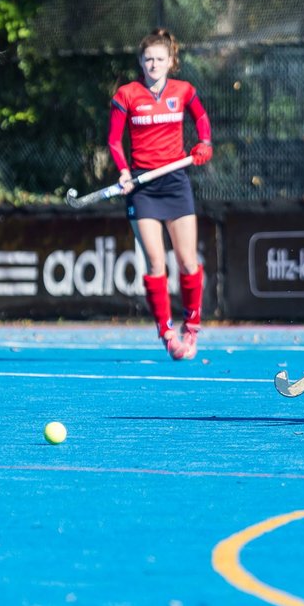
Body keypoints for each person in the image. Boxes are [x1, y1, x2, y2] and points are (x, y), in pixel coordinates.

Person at [108, 28, 213, 360]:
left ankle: (191, 327)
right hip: (142, 188)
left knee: (187, 260)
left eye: (160, 59)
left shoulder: (184, 91)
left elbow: (203, 121)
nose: (153, 64)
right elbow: (113, 141)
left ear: (171, 61)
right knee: (156, 262)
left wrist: (204, 145)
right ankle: (166, 331)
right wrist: (124, 173)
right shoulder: (127, 94)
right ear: (141, 61)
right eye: (148, 59)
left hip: (176, 183)